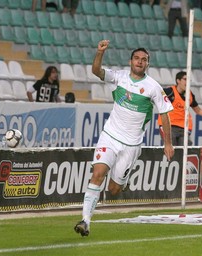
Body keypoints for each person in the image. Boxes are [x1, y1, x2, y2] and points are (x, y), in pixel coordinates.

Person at [74, 40, 174, 237]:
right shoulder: (118, 77)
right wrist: (99, 52)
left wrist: (168, 143)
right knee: (98, 173)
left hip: (131, 145)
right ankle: (85, 221)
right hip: (110, 136)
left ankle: (122, 179)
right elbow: (96, 71)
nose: (139, 62)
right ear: (130, 61)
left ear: (147, 64)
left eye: (143, 60)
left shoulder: (153, 87)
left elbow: (165, 114)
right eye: (136, 58)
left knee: (114, 189)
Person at [158, 71, 202, 146]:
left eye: (189, 80)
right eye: (185, 79)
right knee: (172, 149)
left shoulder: (190, 95)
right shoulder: (170, 92)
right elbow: (156, 96)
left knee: (185, 150)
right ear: (178, 81)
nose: (187, 82)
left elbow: (198, 110)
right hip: (169, 126)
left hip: (183, 127)